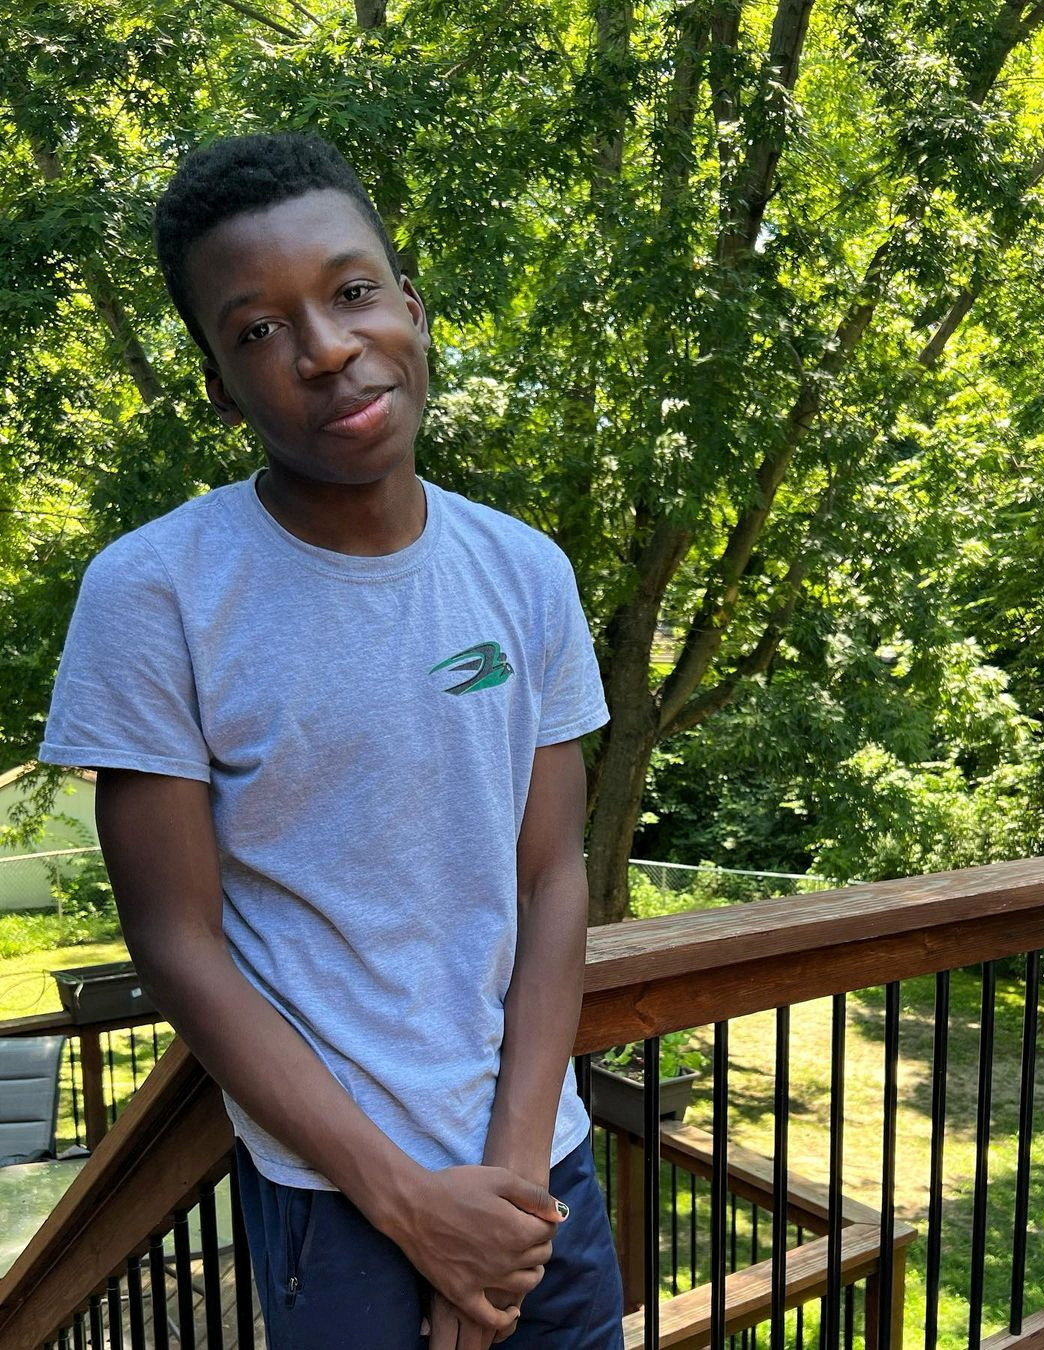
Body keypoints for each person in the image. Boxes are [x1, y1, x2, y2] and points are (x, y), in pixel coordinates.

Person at [39, 132, 624, 1349]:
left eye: (353, 293)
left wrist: (504, 1198)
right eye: (256, 330)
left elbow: (550, 874)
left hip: (540, 1172)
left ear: (409, 307)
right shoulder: (156, 595)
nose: (326, 350)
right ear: (214, 380)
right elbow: (176, 940)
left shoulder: (524, 570)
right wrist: (413, 1208)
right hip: (336, 1199)